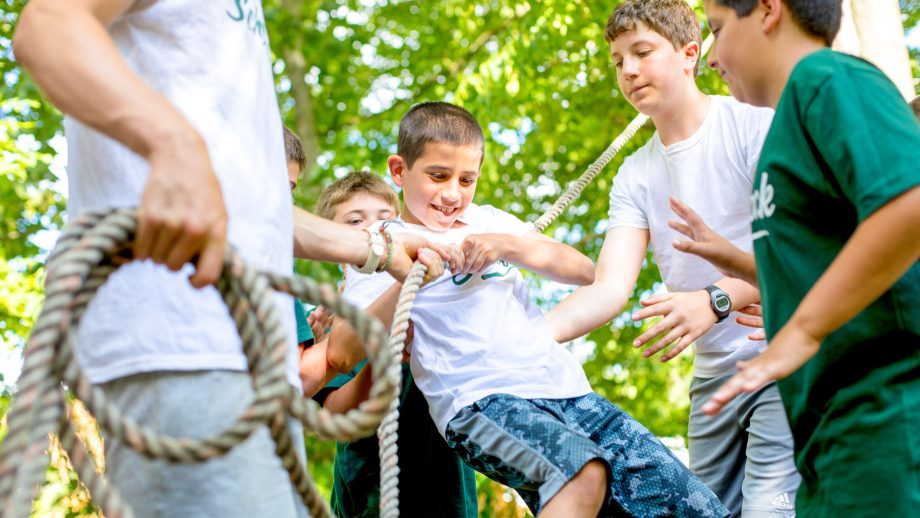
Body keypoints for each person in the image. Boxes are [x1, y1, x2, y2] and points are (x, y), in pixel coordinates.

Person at [12, 2, 445, 516]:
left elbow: (253, 204)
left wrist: (377, 249)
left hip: (258, 371)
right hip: (185, 347)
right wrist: (172, 145)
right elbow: (48, 28)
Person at [331, 101, 728, 517]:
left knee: (696, 507)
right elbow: (341, 351)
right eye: (438, 176)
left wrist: (505, 243)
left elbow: (584, 271)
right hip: (481, 400)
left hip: (566, 391)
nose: (452, 194)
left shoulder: (489, 220)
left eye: (467, 180)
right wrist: (406, 274)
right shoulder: (383, 241)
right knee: (580, 473)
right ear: (399, 170)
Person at [543, 1, 798, 514]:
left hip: (779, 357)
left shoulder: (753, 126)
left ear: (689, 54)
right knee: (699, 510)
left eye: (641, 51)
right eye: (617, 61)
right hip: (712, 382)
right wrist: (516, 343)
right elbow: (610, 288)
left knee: (771, 510)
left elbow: (793, 243)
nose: (629, 70)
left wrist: (716, 299)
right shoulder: (634, 175)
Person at [670, 0, 920, 515]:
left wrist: (801, 331)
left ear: (767, 10)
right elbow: (821, 260)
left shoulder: (826, 78)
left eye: (717, 29)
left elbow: (909, 203)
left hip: (886, 412)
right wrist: (738, 261)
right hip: (823, 434)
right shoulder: (785, 131)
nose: (712, 57)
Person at [300, 170, 478, 518]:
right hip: (372, 491)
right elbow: (339, 410)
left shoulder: (438, 296)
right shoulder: (334, 320)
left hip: (449, 487)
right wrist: (389, 356)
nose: (376, 229)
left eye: (387, 219)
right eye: (355, 221)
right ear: (334, 246)